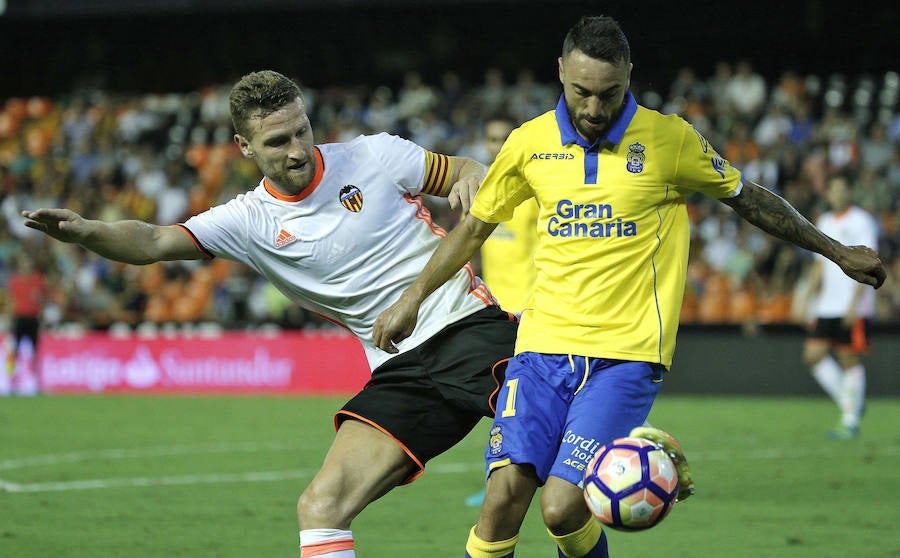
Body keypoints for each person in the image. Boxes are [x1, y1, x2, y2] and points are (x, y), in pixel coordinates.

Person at [373, 16, 887, 558]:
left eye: (609, 93)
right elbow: (475, 225)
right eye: (581, 92)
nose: (593, 109)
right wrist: (413, 299)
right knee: (502, 499)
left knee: (563, 507)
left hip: (626, 354)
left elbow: (750, 198)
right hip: (540, 347)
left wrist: (835, 249)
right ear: (560, 74)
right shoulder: (529, 144)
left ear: (629, 77)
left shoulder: (670, 141)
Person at [21, 69, 519, 558]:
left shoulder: (374, 155)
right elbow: (152, 241)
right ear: (244, 146)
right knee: (320, 507)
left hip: (466, 328)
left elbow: (460, 169)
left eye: (301, 131)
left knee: (561, 463)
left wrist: (473, 172)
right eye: (278, 141)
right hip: (398, 369)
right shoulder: (247, 220)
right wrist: (88, 232)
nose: (298, 149)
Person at [465, 115, 538, 508]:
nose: (496, 146)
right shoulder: (485, 192)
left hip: (531, 313)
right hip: (497, 313)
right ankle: (501, 482)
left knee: (518, 400)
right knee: (501, 399)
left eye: (502, 138)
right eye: (491, 138)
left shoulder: (531, 191)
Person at [802, 175, 879, 440]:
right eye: (832, 189)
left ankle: (850, 420)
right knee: (813, 355)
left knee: (849, 359)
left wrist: (854, 305)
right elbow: (819, 264)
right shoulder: (823, 222)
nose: (837, 194)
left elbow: (869, 263)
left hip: (851, 305)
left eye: (841, 188)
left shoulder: (861, 221)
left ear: (849, 191)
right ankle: (853, 404)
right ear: (828, 194)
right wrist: (806, 295)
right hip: (827, 303)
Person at [3, 254, 48, 396]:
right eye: (24, 264)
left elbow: (43, 300)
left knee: (35, 352)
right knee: (14, 352)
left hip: (33, 319)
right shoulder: (15, 281)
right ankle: (11, 382)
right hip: (19, 318)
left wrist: (41, 316)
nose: (26, 267)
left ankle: (36, 382)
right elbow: (11, 301)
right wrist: (10, 319)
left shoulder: (38, 280)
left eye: (28, 264)